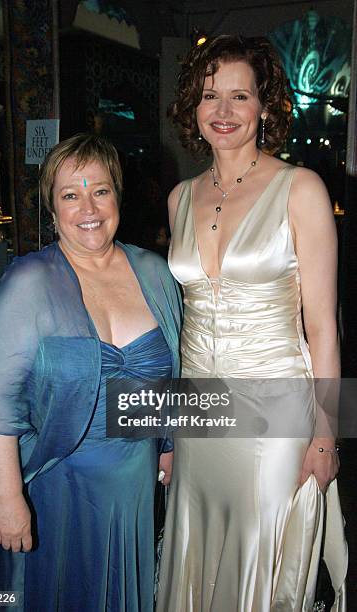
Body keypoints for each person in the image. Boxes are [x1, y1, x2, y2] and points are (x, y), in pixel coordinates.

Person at [0, 134, 181, 611]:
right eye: (70, 195)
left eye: (100, 190)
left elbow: (173, 369)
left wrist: (169, 445)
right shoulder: (29, 281)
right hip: (58, 489)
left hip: (134, 485)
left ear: (118, 196)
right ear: (52, 211)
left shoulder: (155, 271)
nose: (88, 207)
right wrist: (10, 500)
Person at [156, 35, 347, 611]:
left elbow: (325, 328)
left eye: (240, 96)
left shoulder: (300, 188)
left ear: (265, 107)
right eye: (210, 95)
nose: (223, 111)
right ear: (193, 106)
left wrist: (326, 431)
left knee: (263, 570)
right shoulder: (179, 199)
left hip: (275, 416)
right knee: (198, 554)